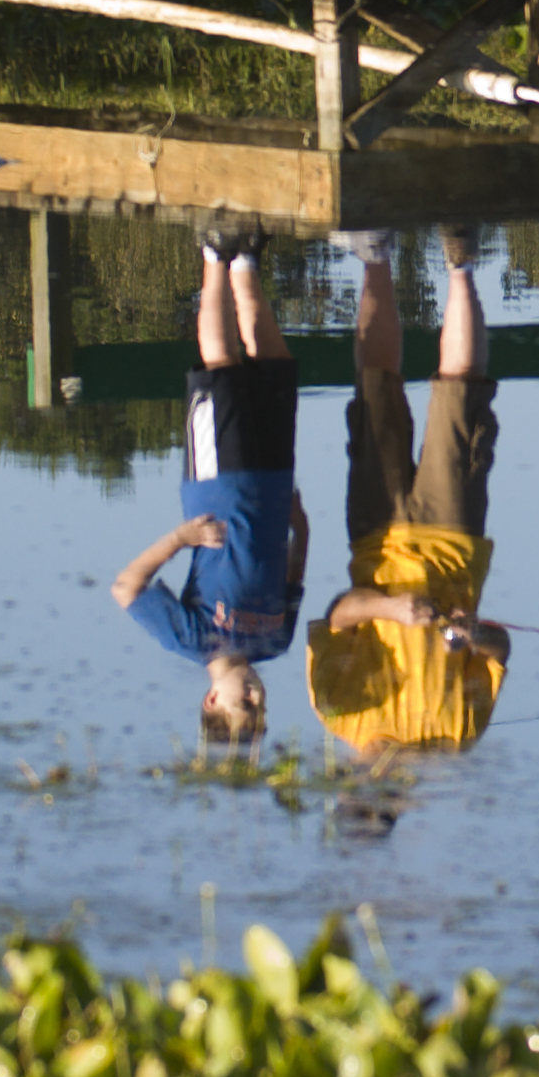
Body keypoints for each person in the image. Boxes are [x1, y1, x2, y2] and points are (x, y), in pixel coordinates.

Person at [304, 227, 512, 749]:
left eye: (361, 798)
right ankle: (459, 259)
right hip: (452, 543)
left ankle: (374, 251)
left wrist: (391, 609)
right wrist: (475, 635)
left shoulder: (339, 715)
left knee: (375, 383)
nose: (379, 783)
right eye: (384, 802)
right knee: (461, 391)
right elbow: (499, 650)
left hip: (374, 537)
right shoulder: (458, 732)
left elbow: (337, 617)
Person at [112, 222, 309, 741]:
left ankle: (214, 252)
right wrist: (302, 531)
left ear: (212, 700)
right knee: (276, 368)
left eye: (243, 704)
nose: (256, 694)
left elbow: (126, 588)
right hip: (270, 485)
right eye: (260, 706)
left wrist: (180, 539)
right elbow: (292, 580)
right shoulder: (278, 641)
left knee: (221, 366)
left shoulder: (191, 640)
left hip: (217, 486)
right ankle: (246, 262)